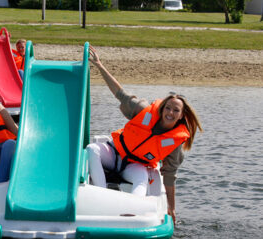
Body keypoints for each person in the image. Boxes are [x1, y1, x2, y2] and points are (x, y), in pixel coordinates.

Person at [87, 46, 203, 224]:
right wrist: (99, 65)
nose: (170, 112)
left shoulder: (175, 143)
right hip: (115, 153)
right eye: (168, 108)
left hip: (135, 166)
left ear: (181, 116)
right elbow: (120, 93)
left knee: (142, 178)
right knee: (92, 149)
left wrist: (171, 207)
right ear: (162, 108)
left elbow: (170, 176)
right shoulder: (143, 111)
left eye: (176, 110)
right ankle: (103, 199)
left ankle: (132, 214)